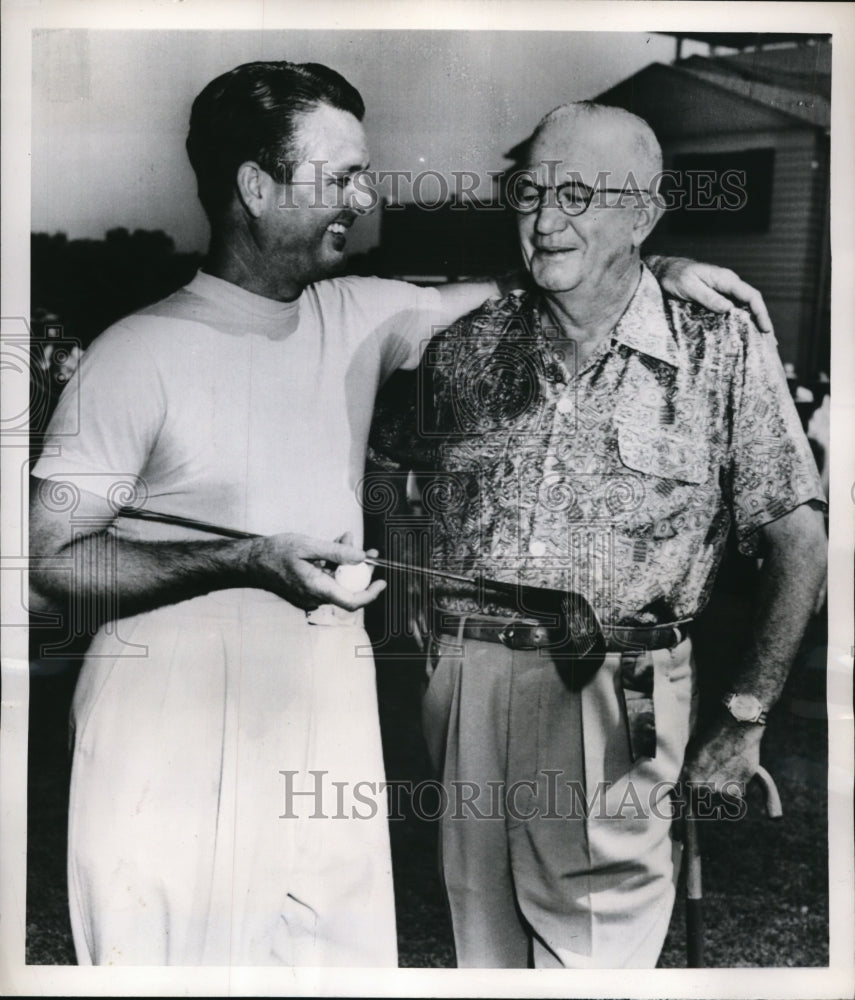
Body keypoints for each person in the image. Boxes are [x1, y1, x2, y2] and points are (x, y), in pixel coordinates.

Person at [29, 61, 774, 968]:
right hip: (165, 736)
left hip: (325, 729)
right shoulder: (132, 353)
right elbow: (48, 566)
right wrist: (242, 559)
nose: (366, 194)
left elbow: (554, 275)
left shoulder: (364, 316)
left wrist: (659, 260)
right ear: (257, 188)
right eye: (339, 175)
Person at [372, 101, 827, 968]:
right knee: (482, 947)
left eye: (577, 195)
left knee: (598, 953)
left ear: (643, 214)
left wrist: (742, 721)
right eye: (530, 192)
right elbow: (387, 468)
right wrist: (415, 611)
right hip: (466, 680)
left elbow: (799, 541)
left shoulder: (716, 346)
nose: (544, 221)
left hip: (616, 691)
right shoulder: (464, 345)